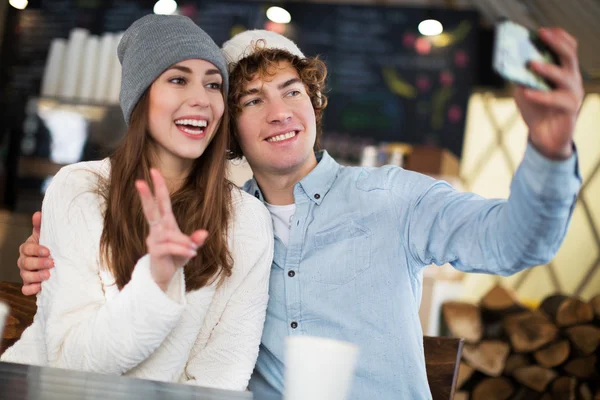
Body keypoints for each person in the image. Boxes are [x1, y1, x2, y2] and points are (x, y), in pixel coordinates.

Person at [18, 26, 583, 399]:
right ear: (230, 131)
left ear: (313, 104)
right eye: (252, 100)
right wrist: (54, 264)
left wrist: (551, 153)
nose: (280, 112)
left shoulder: (395, 197)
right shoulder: (226, 220)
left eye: (292, 91)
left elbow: (516, 244)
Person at [3, 15, 274, 392]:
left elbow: (223, 373)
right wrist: (157, 281)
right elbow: (70, 361)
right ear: (140, 97)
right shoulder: (80, 187)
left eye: (214, 85)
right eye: (178, 79)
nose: (201, 98)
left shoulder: (247, 220)